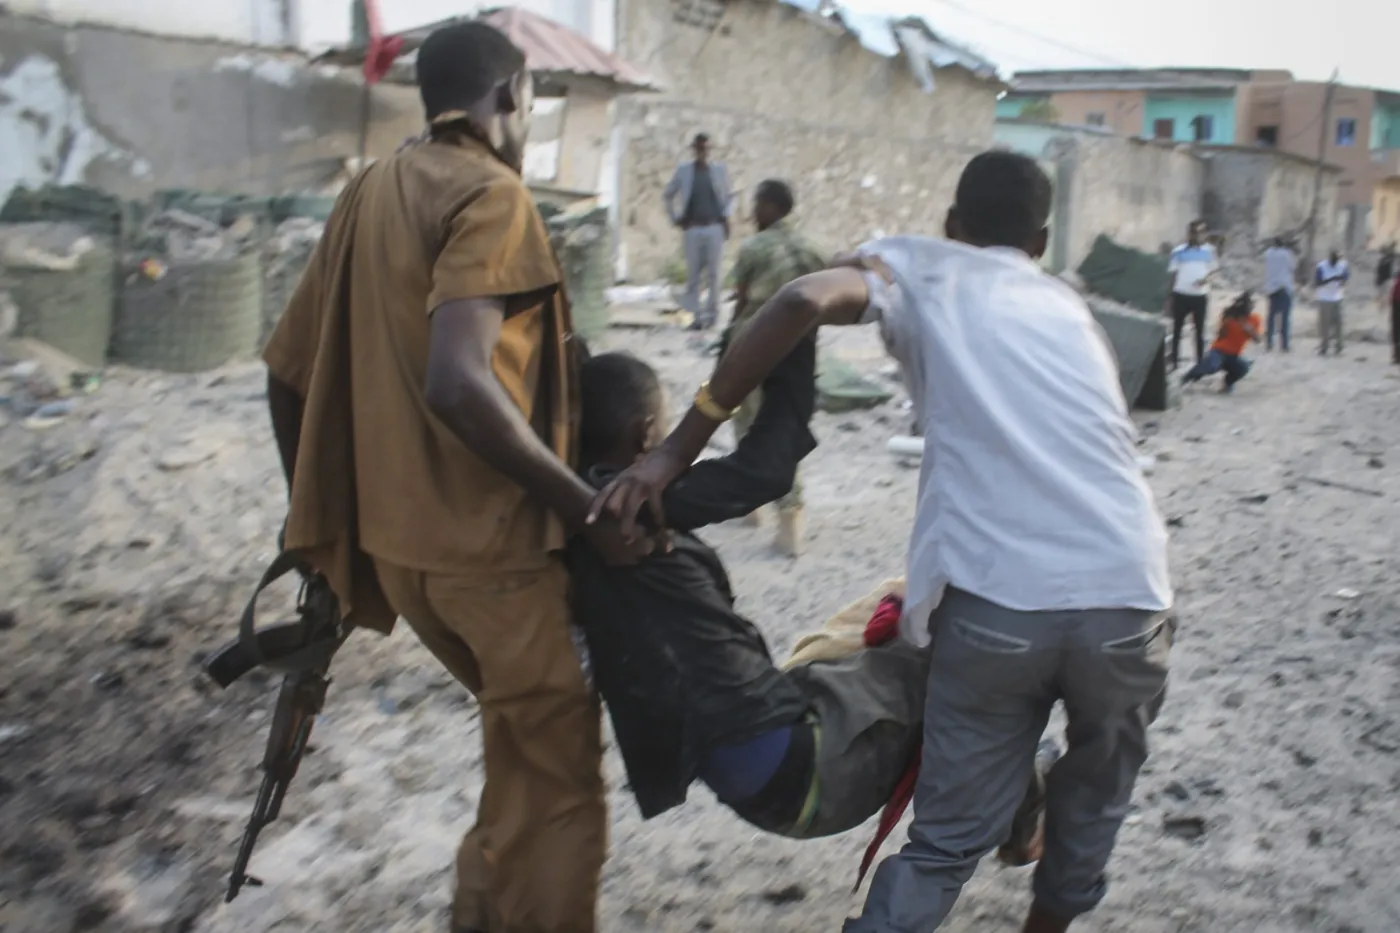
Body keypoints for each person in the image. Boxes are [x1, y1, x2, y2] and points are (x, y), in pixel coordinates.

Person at [589, 150, 1174, 933]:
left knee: (942, 845)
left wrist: (673, 451)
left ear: (950, 226)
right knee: (1097, 792)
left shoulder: (923, 264)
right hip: (1131, 593)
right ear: (1038, 241)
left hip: (998, 606)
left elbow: (801, 297)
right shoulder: (1071, 309)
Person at [261, 22, 656, 933]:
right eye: (528, 101)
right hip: (492, 558)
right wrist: (585, 505)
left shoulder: (369, 192)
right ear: (512, 95)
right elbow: (457, 380)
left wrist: (314, 524)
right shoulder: (494, 195)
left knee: (520, 765)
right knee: (559, 793)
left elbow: (286, 372)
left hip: (401, 556)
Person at [567, 343, 1051, 856]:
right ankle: (1024, 812)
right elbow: (767, 469)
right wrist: (797, 334)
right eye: (664, 431)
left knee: (885, 614)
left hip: (755, 781)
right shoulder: (633, 503)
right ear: (646, 435)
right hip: (808, 773)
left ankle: (1013, 789)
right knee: (969, 629)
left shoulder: (572, 511)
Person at [726, 179, 826, 555]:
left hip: (755, 342)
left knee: (748, 422)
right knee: (787, 427)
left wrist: (727, 347)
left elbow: (740, 299)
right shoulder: (816, 249)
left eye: (757, 204)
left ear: (771, 205)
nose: (753, 213)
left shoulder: (754, 247)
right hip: (799, 347)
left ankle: (754, 503)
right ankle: (790, 521)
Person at [663, 133, 733, 331]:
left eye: (706, 149)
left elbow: (729, 196)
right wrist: (675, 218)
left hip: (713, 226)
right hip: (692, 228)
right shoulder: (684, 171)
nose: (703, 153)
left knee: (714, 274)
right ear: (694, 150)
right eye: (699, 149)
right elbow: (668, 195)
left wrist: (726, 217)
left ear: (710, 150)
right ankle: (695, 316)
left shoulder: (719, 171)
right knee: (694, 274)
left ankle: (712, 316)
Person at [1180, 292, 1261, 393]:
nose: (1252, 306)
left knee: (1243, 368)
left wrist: (1248, 328)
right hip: (1219, 351)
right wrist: (1228, 321)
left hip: (1234, 355)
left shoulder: (1254, 319)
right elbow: (1221, 335)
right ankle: (1187, 378)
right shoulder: (1230, 316)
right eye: (1250, 304)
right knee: (1211, 365)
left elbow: (1258, 339)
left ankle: (1228, 383)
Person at [1165, 220, 1219, 368]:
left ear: (1205, 234)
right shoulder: (1178, 251)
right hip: (1181, 294)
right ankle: (1175, 361)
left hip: (1200, 296)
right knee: (1177, 330)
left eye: (1200, 232)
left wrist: (1205, 280)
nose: (1196, 235)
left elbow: (1214, 272)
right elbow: (1173, 274)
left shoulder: (1209, 252)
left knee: (1199, 331)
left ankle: (1200, 362)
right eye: (1193, 232)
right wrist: (1169, 296)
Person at [1263, 237, 1297, 351]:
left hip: (1272, 288)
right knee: (1285, 318)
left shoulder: (1268, 253)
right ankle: (1284, 345)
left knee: (1271, 317)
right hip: (1284, 288)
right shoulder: (1287, 254)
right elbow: (1293, 267)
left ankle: (1269, 342)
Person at [1315, 249, 1350, 355]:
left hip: (1338, 298)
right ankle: (1324, 347)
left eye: (1337, 260)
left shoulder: (1343, 265)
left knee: (1339, 324)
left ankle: (1339, 347)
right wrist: (1332, 279)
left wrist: (1342, 281)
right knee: (1325, 325)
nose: (1336, 262)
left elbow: (1346, 277)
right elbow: (1318, 282)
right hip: (1325, 298)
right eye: (1334, 260)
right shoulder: (1321, 266)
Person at [1374, 243, 1395, 312]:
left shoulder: (1386, 260)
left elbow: (1379, 270)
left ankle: (1383, 306)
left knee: (1384, 293)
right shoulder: (1384, 260)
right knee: (1383, 293)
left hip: (1385, 279)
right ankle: (1382, 306)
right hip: (1384, 279)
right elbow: (1378, 270)